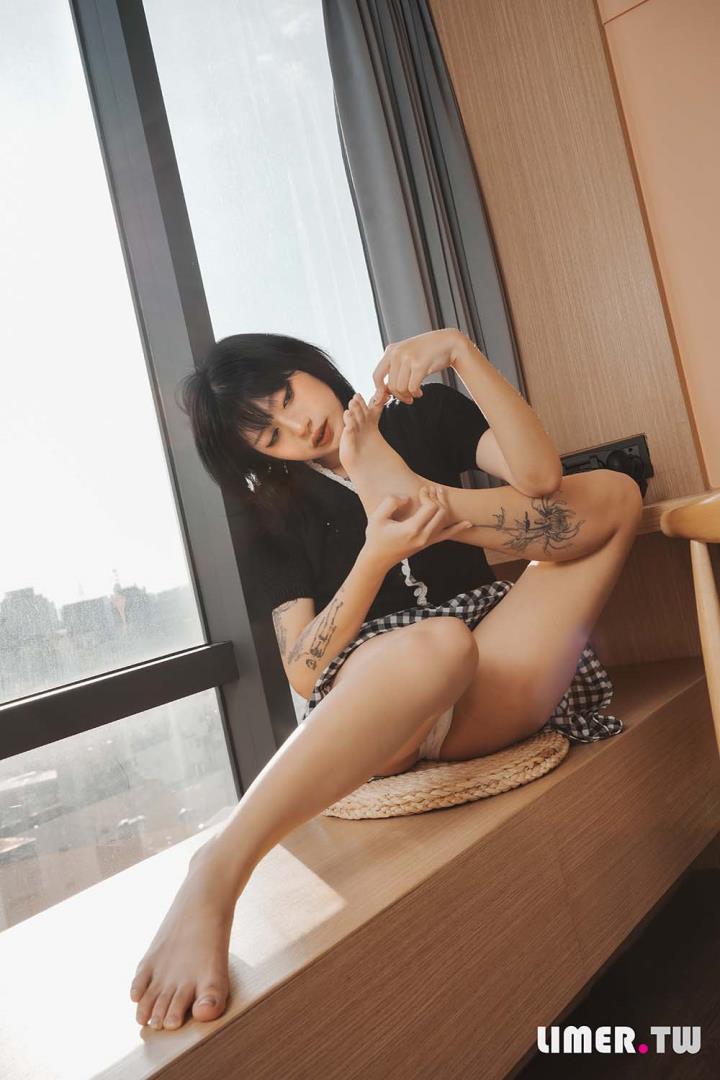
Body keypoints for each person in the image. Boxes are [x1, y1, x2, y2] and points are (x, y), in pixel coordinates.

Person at [129, 327, 643, 1032]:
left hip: (484, 669)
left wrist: (459, 354)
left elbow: (542, 479)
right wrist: (375, 555)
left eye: (287, 398)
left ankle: (430, 506)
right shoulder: (271, 512)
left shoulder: (423, 415)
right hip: (381, 700)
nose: (298, 427)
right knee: (434, 646)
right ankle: (219, 870)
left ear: (306, 368)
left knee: (613, 493)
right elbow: (303, 670)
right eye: (271, 436)